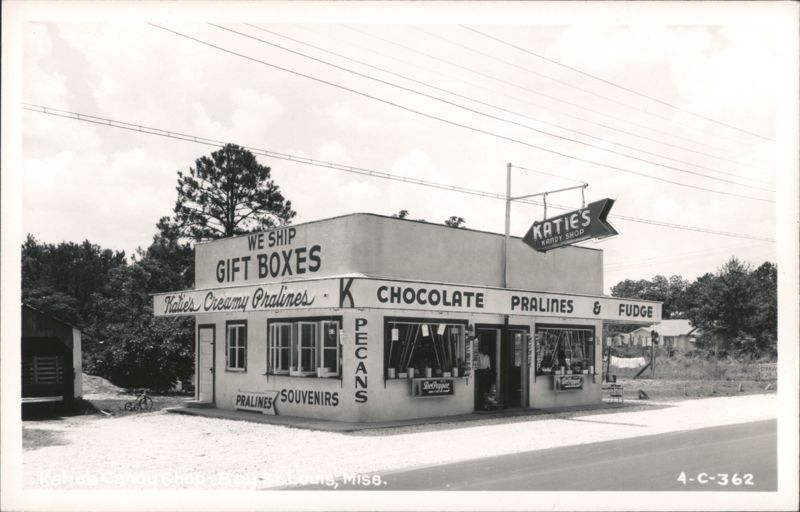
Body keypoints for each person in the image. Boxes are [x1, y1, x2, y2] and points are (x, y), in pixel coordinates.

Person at [476, 343, 493, 409]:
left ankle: (485, 404)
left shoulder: (487, 356)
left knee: (486, 389)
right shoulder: (478, 355)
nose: (486, 349)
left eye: (487, 348)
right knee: (480, 389)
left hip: (486, 373)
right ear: (482, 348)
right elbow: (476, 366)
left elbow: (489, 366)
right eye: (485, 348)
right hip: (480, 373)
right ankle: (479, 404)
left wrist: (486, 372)